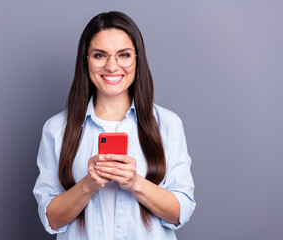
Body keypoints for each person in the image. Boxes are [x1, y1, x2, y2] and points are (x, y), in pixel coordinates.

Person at [33, 11, 195, 240]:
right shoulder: (57, 129)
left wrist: (135, 183)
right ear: (86, 60)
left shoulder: (167, 125)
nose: (112, 66)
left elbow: (181, 212)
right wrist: (87, 185)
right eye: (100, 55)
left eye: (124, 55)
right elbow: (50, 219)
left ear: (137, 59)